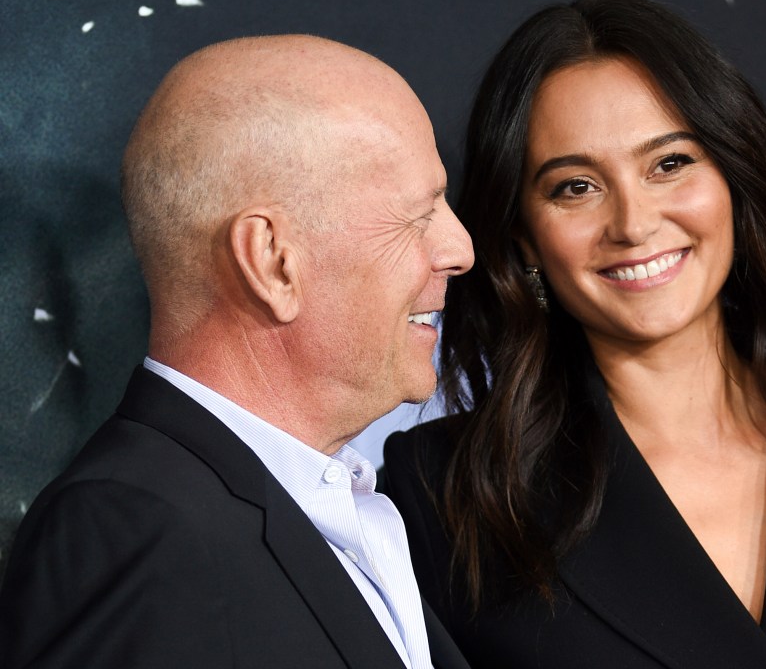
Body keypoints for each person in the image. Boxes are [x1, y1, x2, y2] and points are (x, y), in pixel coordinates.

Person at [381, 0, 766, 669]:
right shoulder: (452, 496)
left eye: (669, 164)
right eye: (575, 187)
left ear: (734, 176)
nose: (634, 224)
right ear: (523, 237)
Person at [0, 35, 474, 669]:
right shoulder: (129, 536)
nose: (460, 248)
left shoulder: (329, 510)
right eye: (418, 215)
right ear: (273, 263)